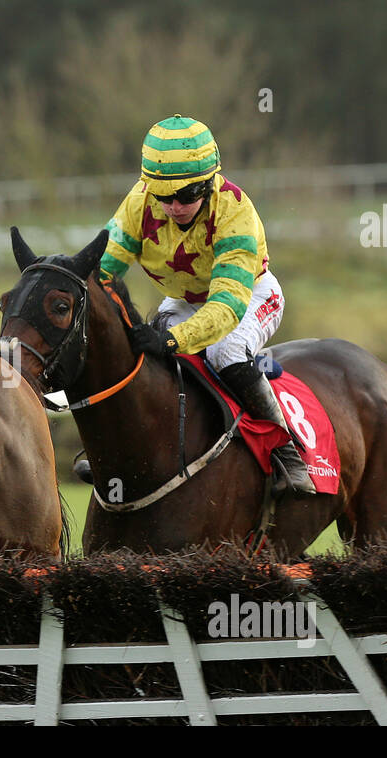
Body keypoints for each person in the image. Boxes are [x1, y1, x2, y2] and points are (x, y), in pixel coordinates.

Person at [96, 115, 314, 494]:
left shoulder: (234, 210)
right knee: (137, 351)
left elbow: (227, 306)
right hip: (185, 300)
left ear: (210, 182)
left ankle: (286, 450)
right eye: (164, 197)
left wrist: (173, 340)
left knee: (225, 351)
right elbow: (102, 271)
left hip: (250, 296)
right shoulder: (138, 203)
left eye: (187, 195)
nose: (175, 207)